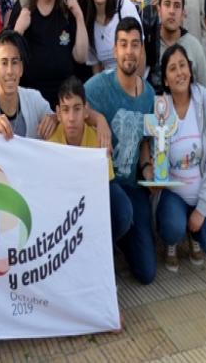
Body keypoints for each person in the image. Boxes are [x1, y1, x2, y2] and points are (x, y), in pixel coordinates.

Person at [85, 18, 156, 284]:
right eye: (123, 44)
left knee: (146, 273)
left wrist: (148, 168)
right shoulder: (98, 86)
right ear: (115, 50)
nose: (129, 51)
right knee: (123, 212)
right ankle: (98, 255)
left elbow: (145, 140)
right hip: (105, 181)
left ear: (141, 50)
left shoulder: (149, 95)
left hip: (133, 184)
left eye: (135, 45)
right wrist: (98, 118)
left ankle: (120, 239)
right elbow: (74, 107)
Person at [147, 44, 206, 272]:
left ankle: (195, 234)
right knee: (172, 226)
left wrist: (201, 209)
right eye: (172, 69)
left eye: (182, 65)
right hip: (173, 193)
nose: (179, 72)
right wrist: (154, 175)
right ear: (165, 80)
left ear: (190, 71)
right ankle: (172, 241)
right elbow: (158, 158)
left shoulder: (205, 99)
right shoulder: (160, 106)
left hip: (203, 191)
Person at [49, 77, 128, 246]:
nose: (71, 118)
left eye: (77, 109)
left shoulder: (99, 139)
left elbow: (104, 188)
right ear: (58, 113)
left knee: (123, 210)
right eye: (66, 110)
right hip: (64, 200)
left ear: (86, 111)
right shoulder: (51, 142)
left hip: (94, 194)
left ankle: (105, 245)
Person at [9, 0, 88, 108]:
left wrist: (79, 17)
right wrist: (18, 30)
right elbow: (7, 59)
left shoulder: (67, 11)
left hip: (63, 108)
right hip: (30, 107)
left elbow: (81, 57)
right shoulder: (23, 7)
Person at [0, 30, 56, 138]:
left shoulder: (34, 99)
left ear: (21, 69)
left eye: (14, 62)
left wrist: (55, 119)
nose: (10, 71)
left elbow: (59, 118)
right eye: (4, 63)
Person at [142, 0, 206, 90]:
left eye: (177, 6)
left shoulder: (194, 47)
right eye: (167, 4)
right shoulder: (148, 44)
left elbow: (205, 92)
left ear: (183, 13)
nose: (172, 11)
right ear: (159, 10)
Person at [80, 0, 141, 72]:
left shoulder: (124, 7)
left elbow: (141, 54)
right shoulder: (89, 23)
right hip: (107, 82)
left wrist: (136, 83)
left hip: (131, 79)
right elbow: (96, 69)